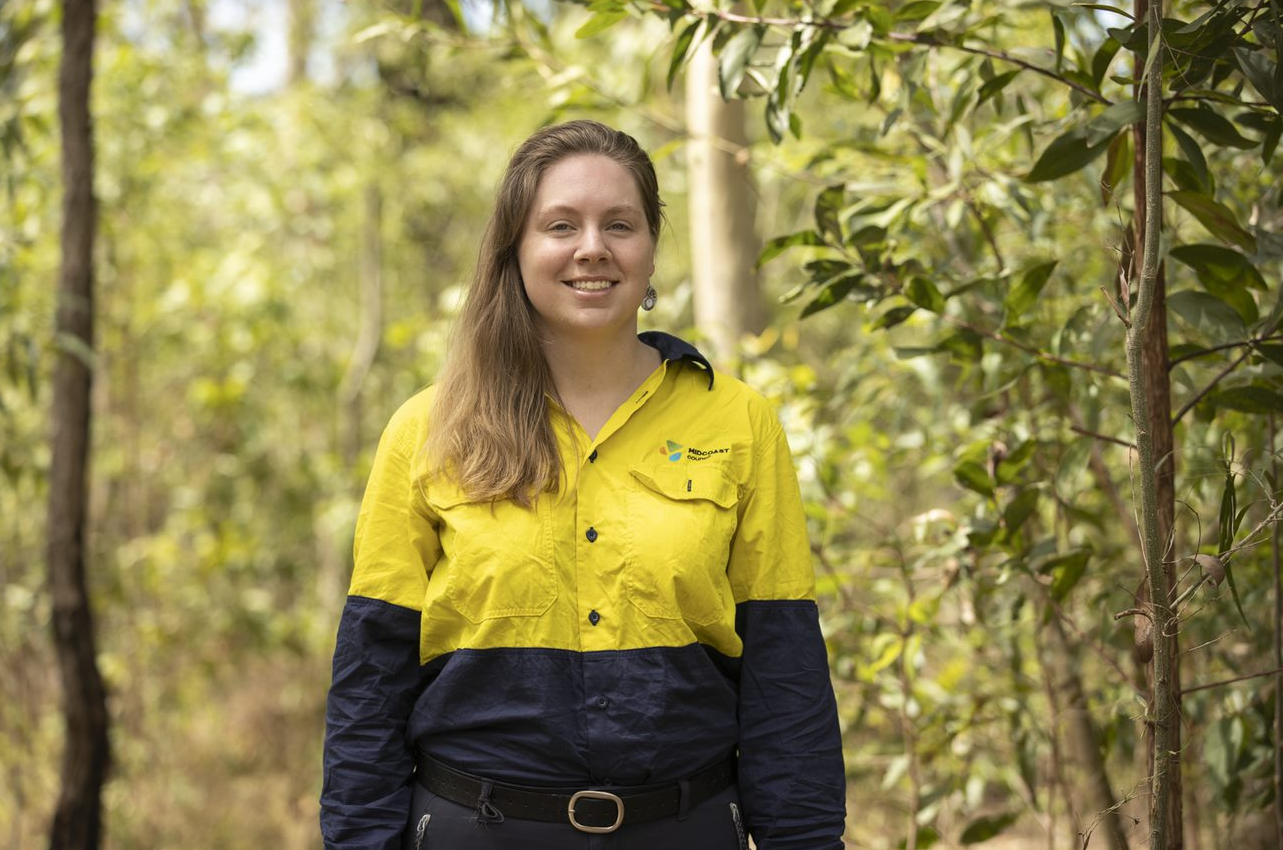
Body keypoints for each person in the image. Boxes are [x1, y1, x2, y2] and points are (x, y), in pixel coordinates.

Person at [320, 119, 846, 850]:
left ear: (651, 250)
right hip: (476, 831)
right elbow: (371, 679)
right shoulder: (427, 430)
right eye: (560, 224)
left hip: (684, 830)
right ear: (516, 249)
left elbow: (783, 672)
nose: (591, 247)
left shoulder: (739, 422)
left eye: (619, 224)